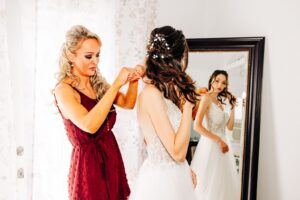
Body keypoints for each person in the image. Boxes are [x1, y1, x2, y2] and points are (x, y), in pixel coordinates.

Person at [54, 25, 143, 200]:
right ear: (71, 56)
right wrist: (117, 83)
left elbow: (128, 103)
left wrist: (134, 80)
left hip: (111, 155)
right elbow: (89, 125)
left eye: (97, 55)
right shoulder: (64, 90)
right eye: (89, 56)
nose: (95, 61)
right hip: (89, 165)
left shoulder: (98, 84)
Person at [129, 26, 198, 200]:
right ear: (177, 58)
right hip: (163, 183)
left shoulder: (162, 92)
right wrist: (188, 107)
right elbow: (177, 152)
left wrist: (186, 170)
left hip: (175, 175)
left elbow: (167, 142)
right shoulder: (151, 94)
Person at [191, 70, 240, 200]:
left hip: (224, 146)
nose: (220, 85)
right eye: (217, 80)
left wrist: (233, 108)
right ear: (211, 79)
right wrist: (218, 140)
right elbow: (197, 126)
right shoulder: (206, 98)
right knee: (208, 185)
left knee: (223, 185)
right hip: (211, 145)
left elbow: (229, 127)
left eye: (223, 83)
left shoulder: (220, 102)